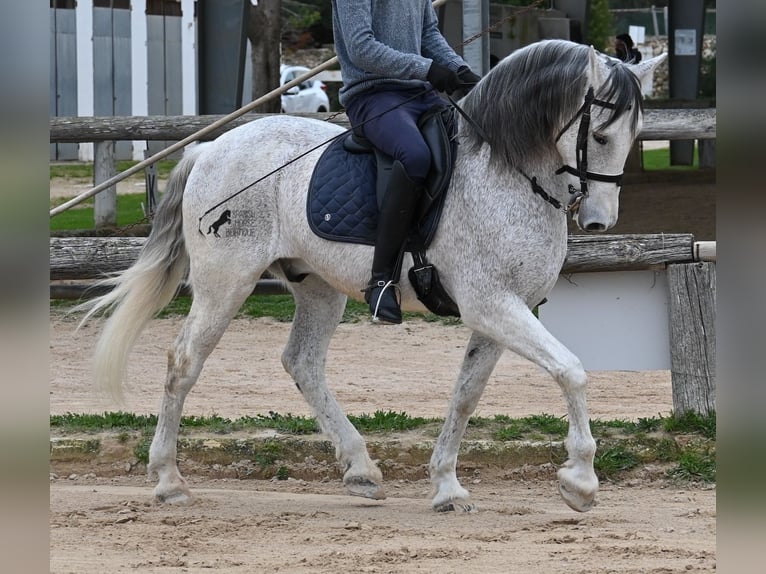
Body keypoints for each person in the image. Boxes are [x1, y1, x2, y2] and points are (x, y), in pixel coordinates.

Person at [332, 0, 481, 324]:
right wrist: (425, 69)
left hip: (419, 95)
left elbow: (428, 34)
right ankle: (381, 281)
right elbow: (361, 48)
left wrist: (459, 70)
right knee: (414, 155)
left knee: (470, 143)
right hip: (372, 96)